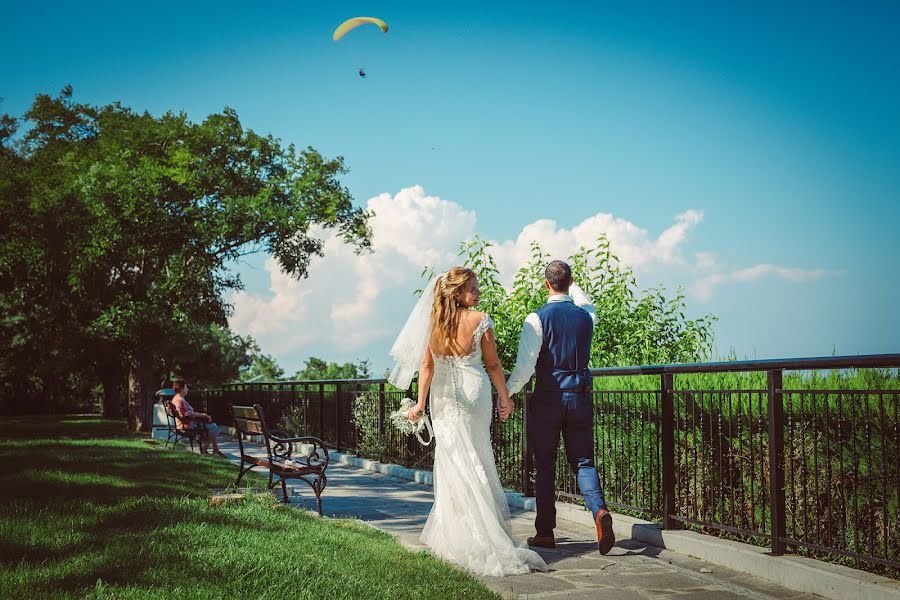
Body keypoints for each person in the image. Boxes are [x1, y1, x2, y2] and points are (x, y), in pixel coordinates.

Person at [389, 267, 548, 576]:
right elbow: (493, 364)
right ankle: (483, 533)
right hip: (474, 393)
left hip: (444, 397)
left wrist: (420, 404)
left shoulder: (433, 324)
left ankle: (460, 535)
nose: (478, 293)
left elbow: (426, 367)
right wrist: (505, 397)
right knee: (476, 455)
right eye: (473, 289)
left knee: (453, 460)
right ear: (458, 293)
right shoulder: (480, 320)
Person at [506, 260, 615, 555]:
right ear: (570, 282)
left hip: (548, 400)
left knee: (545, 466)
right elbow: (586, 302)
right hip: (579, 398)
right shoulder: (586, 317)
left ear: (545, 284)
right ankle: (599, 511)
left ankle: (545, 532)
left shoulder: (537, 318)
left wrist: (506, 392)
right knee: (583, 462)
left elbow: (526, 366)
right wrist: (571, 284)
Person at [170, 380, 227, 458]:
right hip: (187, 425)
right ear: (182, 389)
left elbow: (188, 414)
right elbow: (190, 415)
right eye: (186, 387)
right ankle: (204, 449)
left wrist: (203, 416)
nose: (187, 389)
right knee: (215, 428)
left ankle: (215, 449)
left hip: (184, 423)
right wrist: (205, 415)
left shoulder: (176, 398)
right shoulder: (180, 400)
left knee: (211, 427)